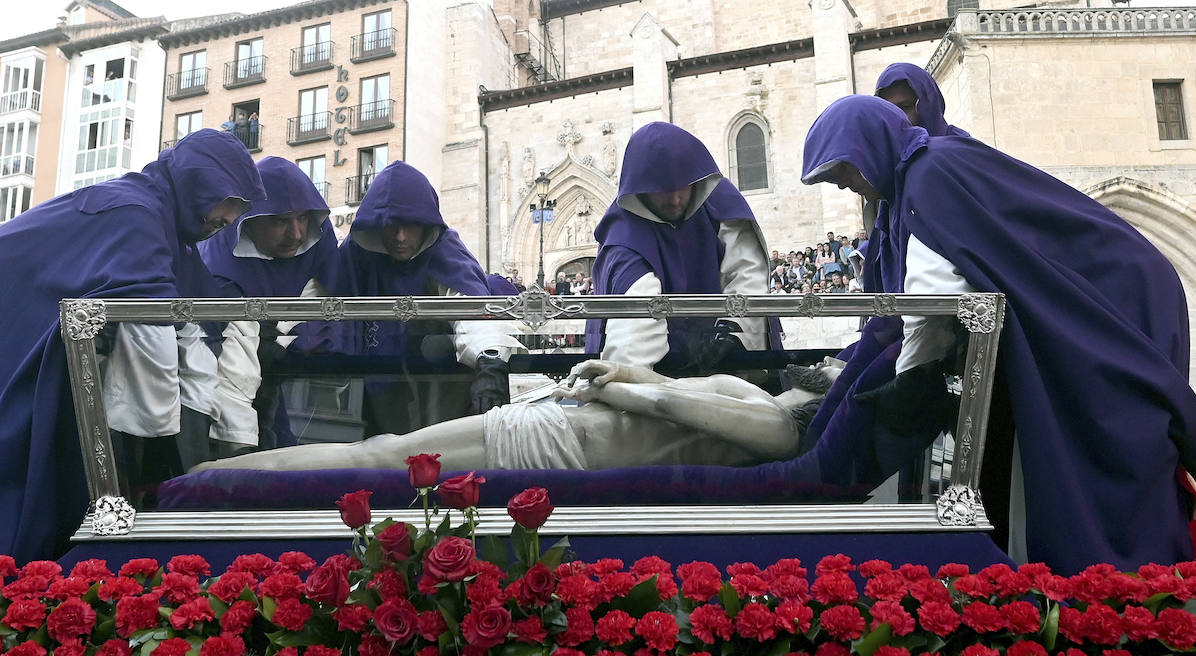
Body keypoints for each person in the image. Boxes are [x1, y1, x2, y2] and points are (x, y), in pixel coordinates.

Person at [800, 94, 1196, 574]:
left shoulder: (929, 178)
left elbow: (933, 305)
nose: (849, 187)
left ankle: (1120, 581)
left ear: (867, 146)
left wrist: (909, 381)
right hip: (1123, 287)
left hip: (1119, 295)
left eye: (844, 172)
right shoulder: (933, 166)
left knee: (1107, 431)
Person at [0, 129, 265, 563]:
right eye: (227, 201)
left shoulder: (158, 216)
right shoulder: (137, 215)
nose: (229, 219)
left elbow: (198, 308)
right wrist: (176, 459)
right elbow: (154, 331)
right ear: (198, 182)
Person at [194, 360, 839, 473]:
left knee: (379, 456)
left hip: (560, 444)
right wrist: (614, 375)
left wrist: (614, 392)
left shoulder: (779, 429)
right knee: (381, 451)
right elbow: (657, 383)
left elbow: (666, 403)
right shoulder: (752, 393)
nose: (835, 366)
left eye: (841, 372)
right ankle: (219, 473)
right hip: (562, 423)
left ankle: (217, 477)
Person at [338, 161, 525, 436]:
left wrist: (489, 360)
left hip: (440, 392)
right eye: (391, 226)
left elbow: (470, 308)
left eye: (410, 226)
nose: (400, 237)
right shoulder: (356, 254)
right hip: (371, 392)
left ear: (426, 224)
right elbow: (320, 300)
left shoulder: (444, 250)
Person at [586, 122, 778, 371]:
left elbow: (746, 273)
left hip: (727, 363)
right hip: (660, 372)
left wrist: (733, 332)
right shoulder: (624, 233)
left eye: (682, 188)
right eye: (663, 191)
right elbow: (635, 328)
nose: (675, 199)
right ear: (642, 189)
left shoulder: (719, 203)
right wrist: (631, 385)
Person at [200, 156, 353, 453]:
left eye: (303, 218)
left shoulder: (318, 240)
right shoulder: (217, 256)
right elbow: (229, 364)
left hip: (290, 385)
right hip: (220, 383)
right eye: (281, 220)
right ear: (249, 219)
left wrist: (299, 339)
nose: (296, 234)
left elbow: (325, 306)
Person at [863, 62, 971, 294]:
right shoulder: (891, 169)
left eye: (906, 107)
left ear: (928, 104)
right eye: (889, 110)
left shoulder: (959, 154)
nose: (898, 119)